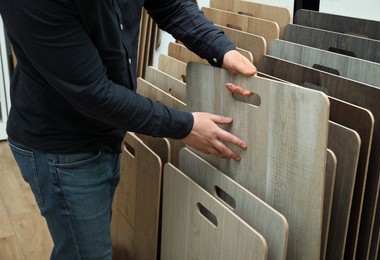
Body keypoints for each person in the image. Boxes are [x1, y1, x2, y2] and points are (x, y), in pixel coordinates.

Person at [0, 0, 256, 259]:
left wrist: (223, 51)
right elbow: (94, 93)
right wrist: (186, 127)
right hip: (61, 147)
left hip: (103, 130)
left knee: (77, 246)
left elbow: (171, 6)